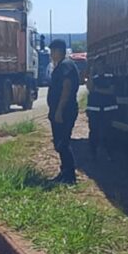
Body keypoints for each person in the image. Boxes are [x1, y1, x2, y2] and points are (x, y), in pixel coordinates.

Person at [47, 39, 80, 184]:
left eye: (52, 51)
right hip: (59, 111)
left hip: (65, 111)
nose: (51, 55)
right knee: (59, 143)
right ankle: (64, 172)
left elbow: (67, 87)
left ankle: (70, 176)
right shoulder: (61, 66)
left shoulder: (66, 66)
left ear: (58, 51)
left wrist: (59, 110)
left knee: (63, 142)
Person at [86, 61, 118, 161]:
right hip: (94, 109)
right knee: (94, 132)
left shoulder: (110, 77)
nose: (99, 67)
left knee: (107, 132)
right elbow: (90, 88)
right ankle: (93, 153)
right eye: (96, 65)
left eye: (100, 64)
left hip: (107, 109)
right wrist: (91, 73)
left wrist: (97, 90)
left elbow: (111, 91)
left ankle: (109, 153)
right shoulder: (93, 78)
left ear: (104, 65)